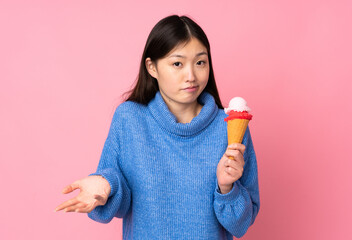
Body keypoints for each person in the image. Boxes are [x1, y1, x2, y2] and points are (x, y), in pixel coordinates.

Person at [55, 14, 260, 239]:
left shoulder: (229, 128)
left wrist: (227, 188)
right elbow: (121, 200)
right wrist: (106, 186)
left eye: (200, 62)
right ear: (152, 67)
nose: (191, 75)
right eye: (177, 64)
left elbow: (240, 225)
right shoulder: (130, 120)